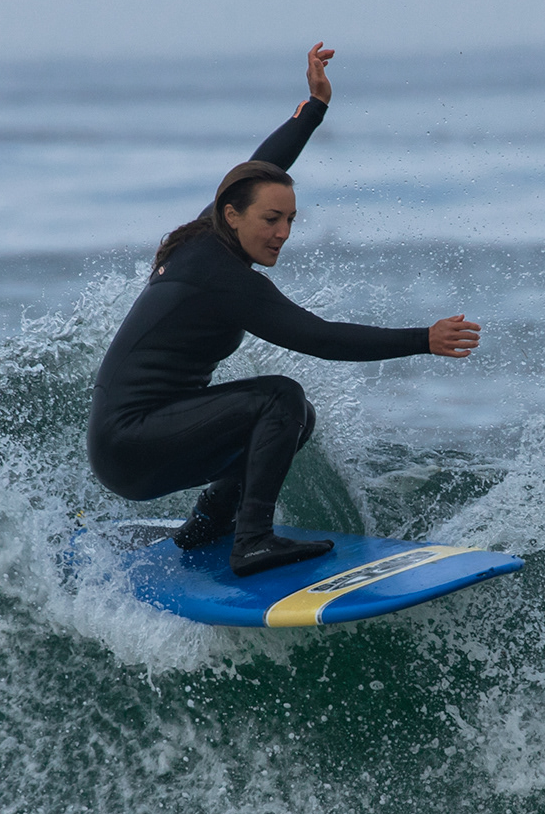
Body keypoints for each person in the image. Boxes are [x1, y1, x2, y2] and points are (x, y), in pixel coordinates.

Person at [87, 44, 481, 577]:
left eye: (291, 220)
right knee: (281, 396)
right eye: (272, 219)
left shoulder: (209, 235)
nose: (283, 233)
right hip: (132, 443)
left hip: (126, 443)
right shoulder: (222, 276)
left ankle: (209, 525)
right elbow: (322, 338)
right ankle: (252, 542)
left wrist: (313, 107)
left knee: (297, 418)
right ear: (234, 215)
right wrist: (422, 339)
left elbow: (265, 165)